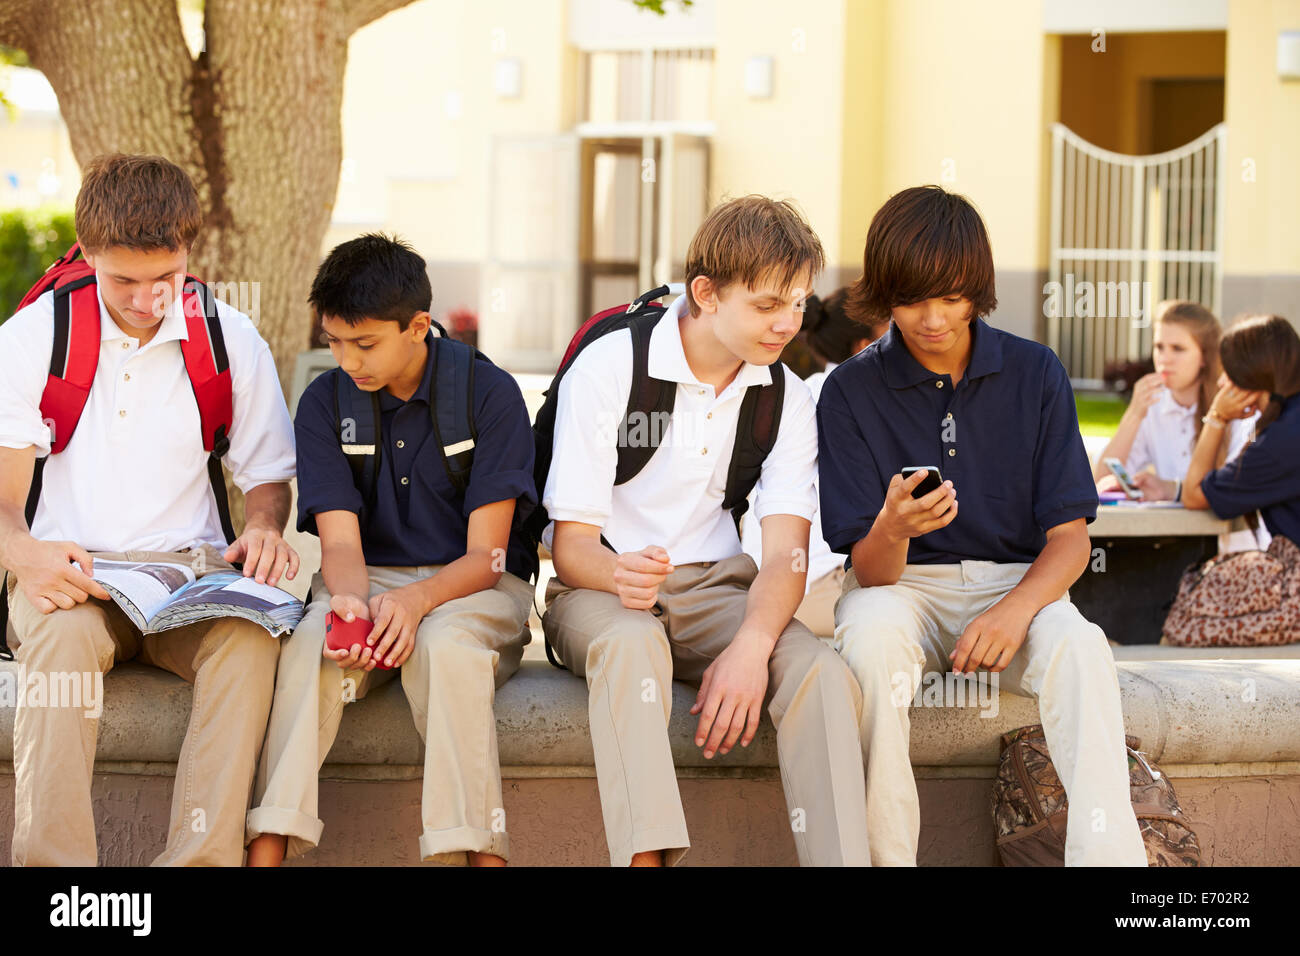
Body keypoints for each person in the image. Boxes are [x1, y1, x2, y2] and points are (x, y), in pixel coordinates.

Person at [819, 184, 1148, 867]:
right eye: (911, 299)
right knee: (870, 643)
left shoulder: (1036, 373)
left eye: (952, 295)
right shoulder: (849, 390)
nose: (932, 318)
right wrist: (893, 524)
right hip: (901, 589)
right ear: (884, 295)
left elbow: (1070, 537)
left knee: (1083, 650)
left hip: (1019, 586)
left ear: (979, 287)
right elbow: (871, 574)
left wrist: (1014, 611)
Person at [541, 196, 869, 867]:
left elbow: (786, 556)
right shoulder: (611, 368)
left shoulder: (786, 396)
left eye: (798, 302)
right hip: (601, 592)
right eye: (768, 304)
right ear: (707, 294)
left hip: (718, 590)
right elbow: (569, 546)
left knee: (821, 673)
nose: (787, 323)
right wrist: (617, 574)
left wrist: (752, 646)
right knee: (633, 648)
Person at [0, 153, 297, 866]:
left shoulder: (228, 337)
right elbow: (5, 507)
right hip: (69, 574)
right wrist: (30, 558)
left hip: (188, 577)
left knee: (250, 642)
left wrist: (263, 527)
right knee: (64, 645)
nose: (144, 299)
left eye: (163, 278)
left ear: (189, 251)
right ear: (89, 255)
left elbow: (268, 480)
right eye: (122, 280)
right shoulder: (35, 337)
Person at [245, 234, 537, 866]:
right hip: (368, 577)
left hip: (475, 586)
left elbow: (489, 557)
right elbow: (340, 544)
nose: (348, 359)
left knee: (446, 649)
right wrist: (351, 605)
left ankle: (473, 853)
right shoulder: (325, 402)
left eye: (366, 342)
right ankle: (267, 848)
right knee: (312, 642)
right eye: (335, 341)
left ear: (419, 326)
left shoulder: (490, 395)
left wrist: (415, 601)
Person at [742, 288, 885, 636]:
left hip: (779, 581)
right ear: (864, 346)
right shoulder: (852, 403)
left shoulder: (808, 392)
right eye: (891, 332)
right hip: (819, 584)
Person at [1092, 300, 1262, 551]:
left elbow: (1240, 487)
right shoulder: (1153, 407)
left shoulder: (1238, 405)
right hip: (1173, 547)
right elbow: (1101, 482)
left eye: (1178, 349)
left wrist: (1172, 490)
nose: (1165, 359)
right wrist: (1134, 413)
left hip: (1235, 549)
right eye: (1159, 347)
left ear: (1204, 356)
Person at [1181, 313, 1300, 553]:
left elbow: (1193, 495)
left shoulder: (1279, 443)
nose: (1222, 383)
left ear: (1251, 374)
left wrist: (1217, 417)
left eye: (1230, 372)